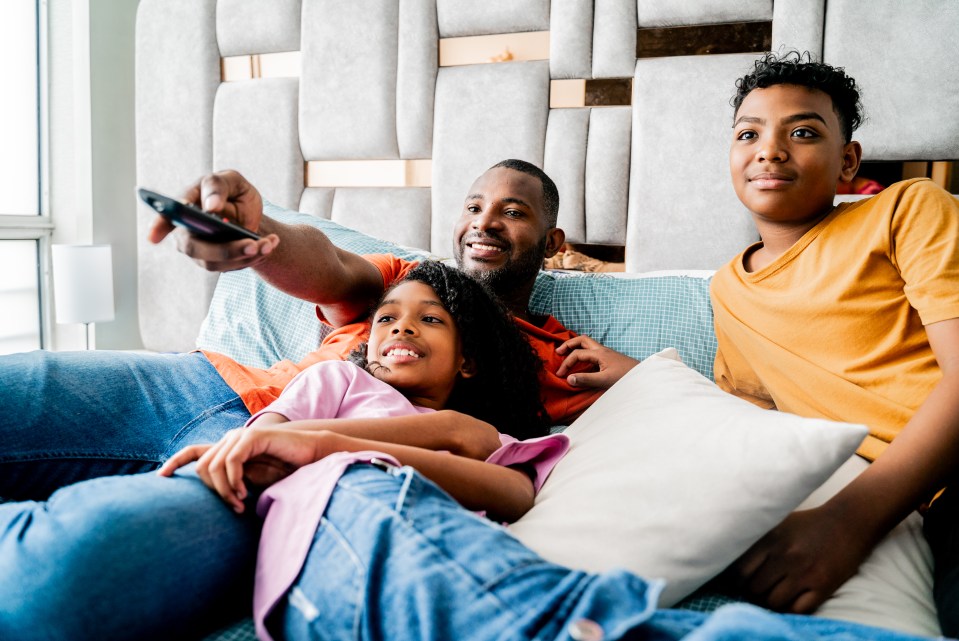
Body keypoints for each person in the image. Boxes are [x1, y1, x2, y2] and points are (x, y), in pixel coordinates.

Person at [157, 260, 569, 639]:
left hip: (442, 543)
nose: (401, 328)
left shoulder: (480, 432)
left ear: (467, 362)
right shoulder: (339, 381)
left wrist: (449, 426)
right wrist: (341, 445)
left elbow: (516, 492)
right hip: (340, 526)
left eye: (429, 319)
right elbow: (265, 441)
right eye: (386, 317)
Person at [709, 51, 959, 635]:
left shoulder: (905, 209)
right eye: (749, 133)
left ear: (848, 161)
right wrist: (636, 376)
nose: (770, 149)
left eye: (802, 132)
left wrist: (845, 524)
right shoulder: (727, 289)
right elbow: (753, 413)